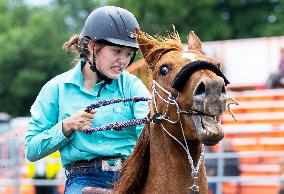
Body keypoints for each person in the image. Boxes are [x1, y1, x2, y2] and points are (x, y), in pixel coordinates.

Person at [24, 6, 150, 194]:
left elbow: (150, 131)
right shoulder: (56, 89)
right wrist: (66, 126)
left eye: (129, 53)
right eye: (117, 51)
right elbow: (31, 150)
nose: (123, 60)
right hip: (82, 179)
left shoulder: (133, 86)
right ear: (91, 46)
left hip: (131, 175)